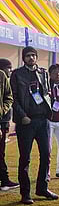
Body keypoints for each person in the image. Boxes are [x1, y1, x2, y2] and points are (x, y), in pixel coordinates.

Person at [10, 46, 58, 204]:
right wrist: (22, 116)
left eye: (33, 55)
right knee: (25, 158)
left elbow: (46, 93)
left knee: (46, 154)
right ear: (24, 58)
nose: (31, 58)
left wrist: (49, 110)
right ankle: (25, 194)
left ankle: (42, 188)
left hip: (42, 120)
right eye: (28, 56)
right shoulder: (17, 74)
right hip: (26, 122)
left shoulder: (43, 73)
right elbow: (14, 98)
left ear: (37, 57)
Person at [0, 58, 19, 191]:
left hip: (3, 122)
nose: (10, 71)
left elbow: (9, 97)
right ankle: (5, 181)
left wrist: (3, 109)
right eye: (8, 68)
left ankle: (5, 180)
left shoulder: (6, 79)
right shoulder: (2, 75)